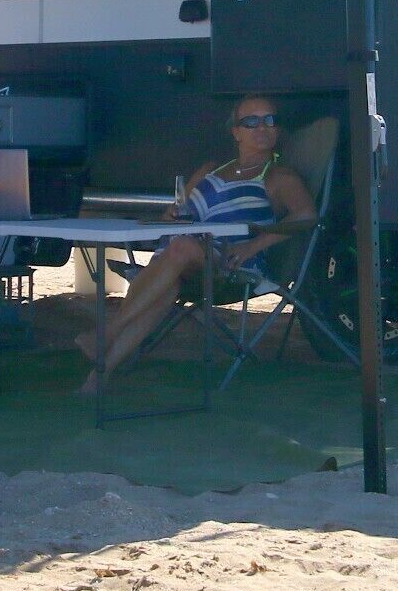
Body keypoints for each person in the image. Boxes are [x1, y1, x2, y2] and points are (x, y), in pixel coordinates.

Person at [78, 95, 315, 389]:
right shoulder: (209, 170)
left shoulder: (279, 177)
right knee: (168, 283)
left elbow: (306, 216)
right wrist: (172, 216)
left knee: (181, 248)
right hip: (180, 258)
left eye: (269, 120)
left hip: (230, 262)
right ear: (236, 132)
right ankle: (98, 378)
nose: (262, 127)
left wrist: (253, 246)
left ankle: (108, 333)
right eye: (251, 121)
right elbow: (177, 214)